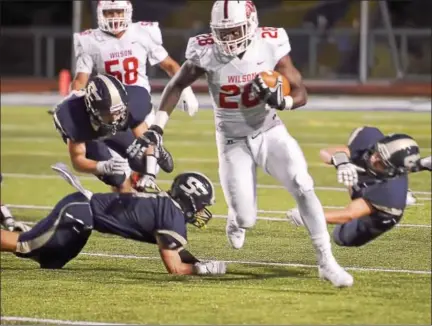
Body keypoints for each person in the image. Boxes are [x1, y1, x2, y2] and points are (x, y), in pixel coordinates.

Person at [127, 0, 353, 287]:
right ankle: (236, 217)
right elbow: (176, 84)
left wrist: (283, 101)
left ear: (251, 24)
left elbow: (301, 92)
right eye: (224, 32)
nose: (230, 38)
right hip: (231, 139)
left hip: (270, 129)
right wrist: (158, 127)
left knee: (302, 183)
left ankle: (326, 261)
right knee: (246, 218)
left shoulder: (270, 42)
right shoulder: (205, 50)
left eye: (235, 31)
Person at [0, 163, 226, 276]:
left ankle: (34, 231)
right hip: (79, 212)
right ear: (190, 199)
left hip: (82, 215)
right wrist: (201, 270)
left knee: (51, 263)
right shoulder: (172, 217)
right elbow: (174, 267)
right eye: (202, 205)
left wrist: (199, 263)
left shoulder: (169, 209)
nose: (202, 211)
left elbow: (175, 249)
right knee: (25, 244)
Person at [49, 0, 198, 117]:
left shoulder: (142, 32)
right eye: (109, 12)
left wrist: (186, 91)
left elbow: (170, 65)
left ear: (127, 12)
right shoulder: (91, 40)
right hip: (108, 108)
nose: (114, 17)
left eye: (118, 12)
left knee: (149, 152)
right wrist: (72, 101)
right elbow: (81, 79)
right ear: (101, 14)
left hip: (140, 105)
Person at [287, 126, 431, 247]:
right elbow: (326, 152)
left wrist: (308, 215)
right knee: (354, 167)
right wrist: (342, 162)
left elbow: (349, 214)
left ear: (392, 170)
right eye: (376, 152)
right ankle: (421, 164)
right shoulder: (370, 142)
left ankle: (405, 188)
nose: (373, 158)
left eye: (380, 162)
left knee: (341, 238)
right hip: (383, 178)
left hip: (380, 215)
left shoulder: (389, 194)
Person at [52, 73, 173, 193]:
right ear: (92, 110)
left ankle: (137, 184)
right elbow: (78, 161)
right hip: (91, 133)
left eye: (119, 112)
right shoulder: (75, 117)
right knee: (117, 178)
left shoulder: (132, 104)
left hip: (110, 127)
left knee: (143, 160)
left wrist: (150, 173)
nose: (115, 119)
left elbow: (146, 141)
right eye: (108, 115)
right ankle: (124, 198)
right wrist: (104, 166)